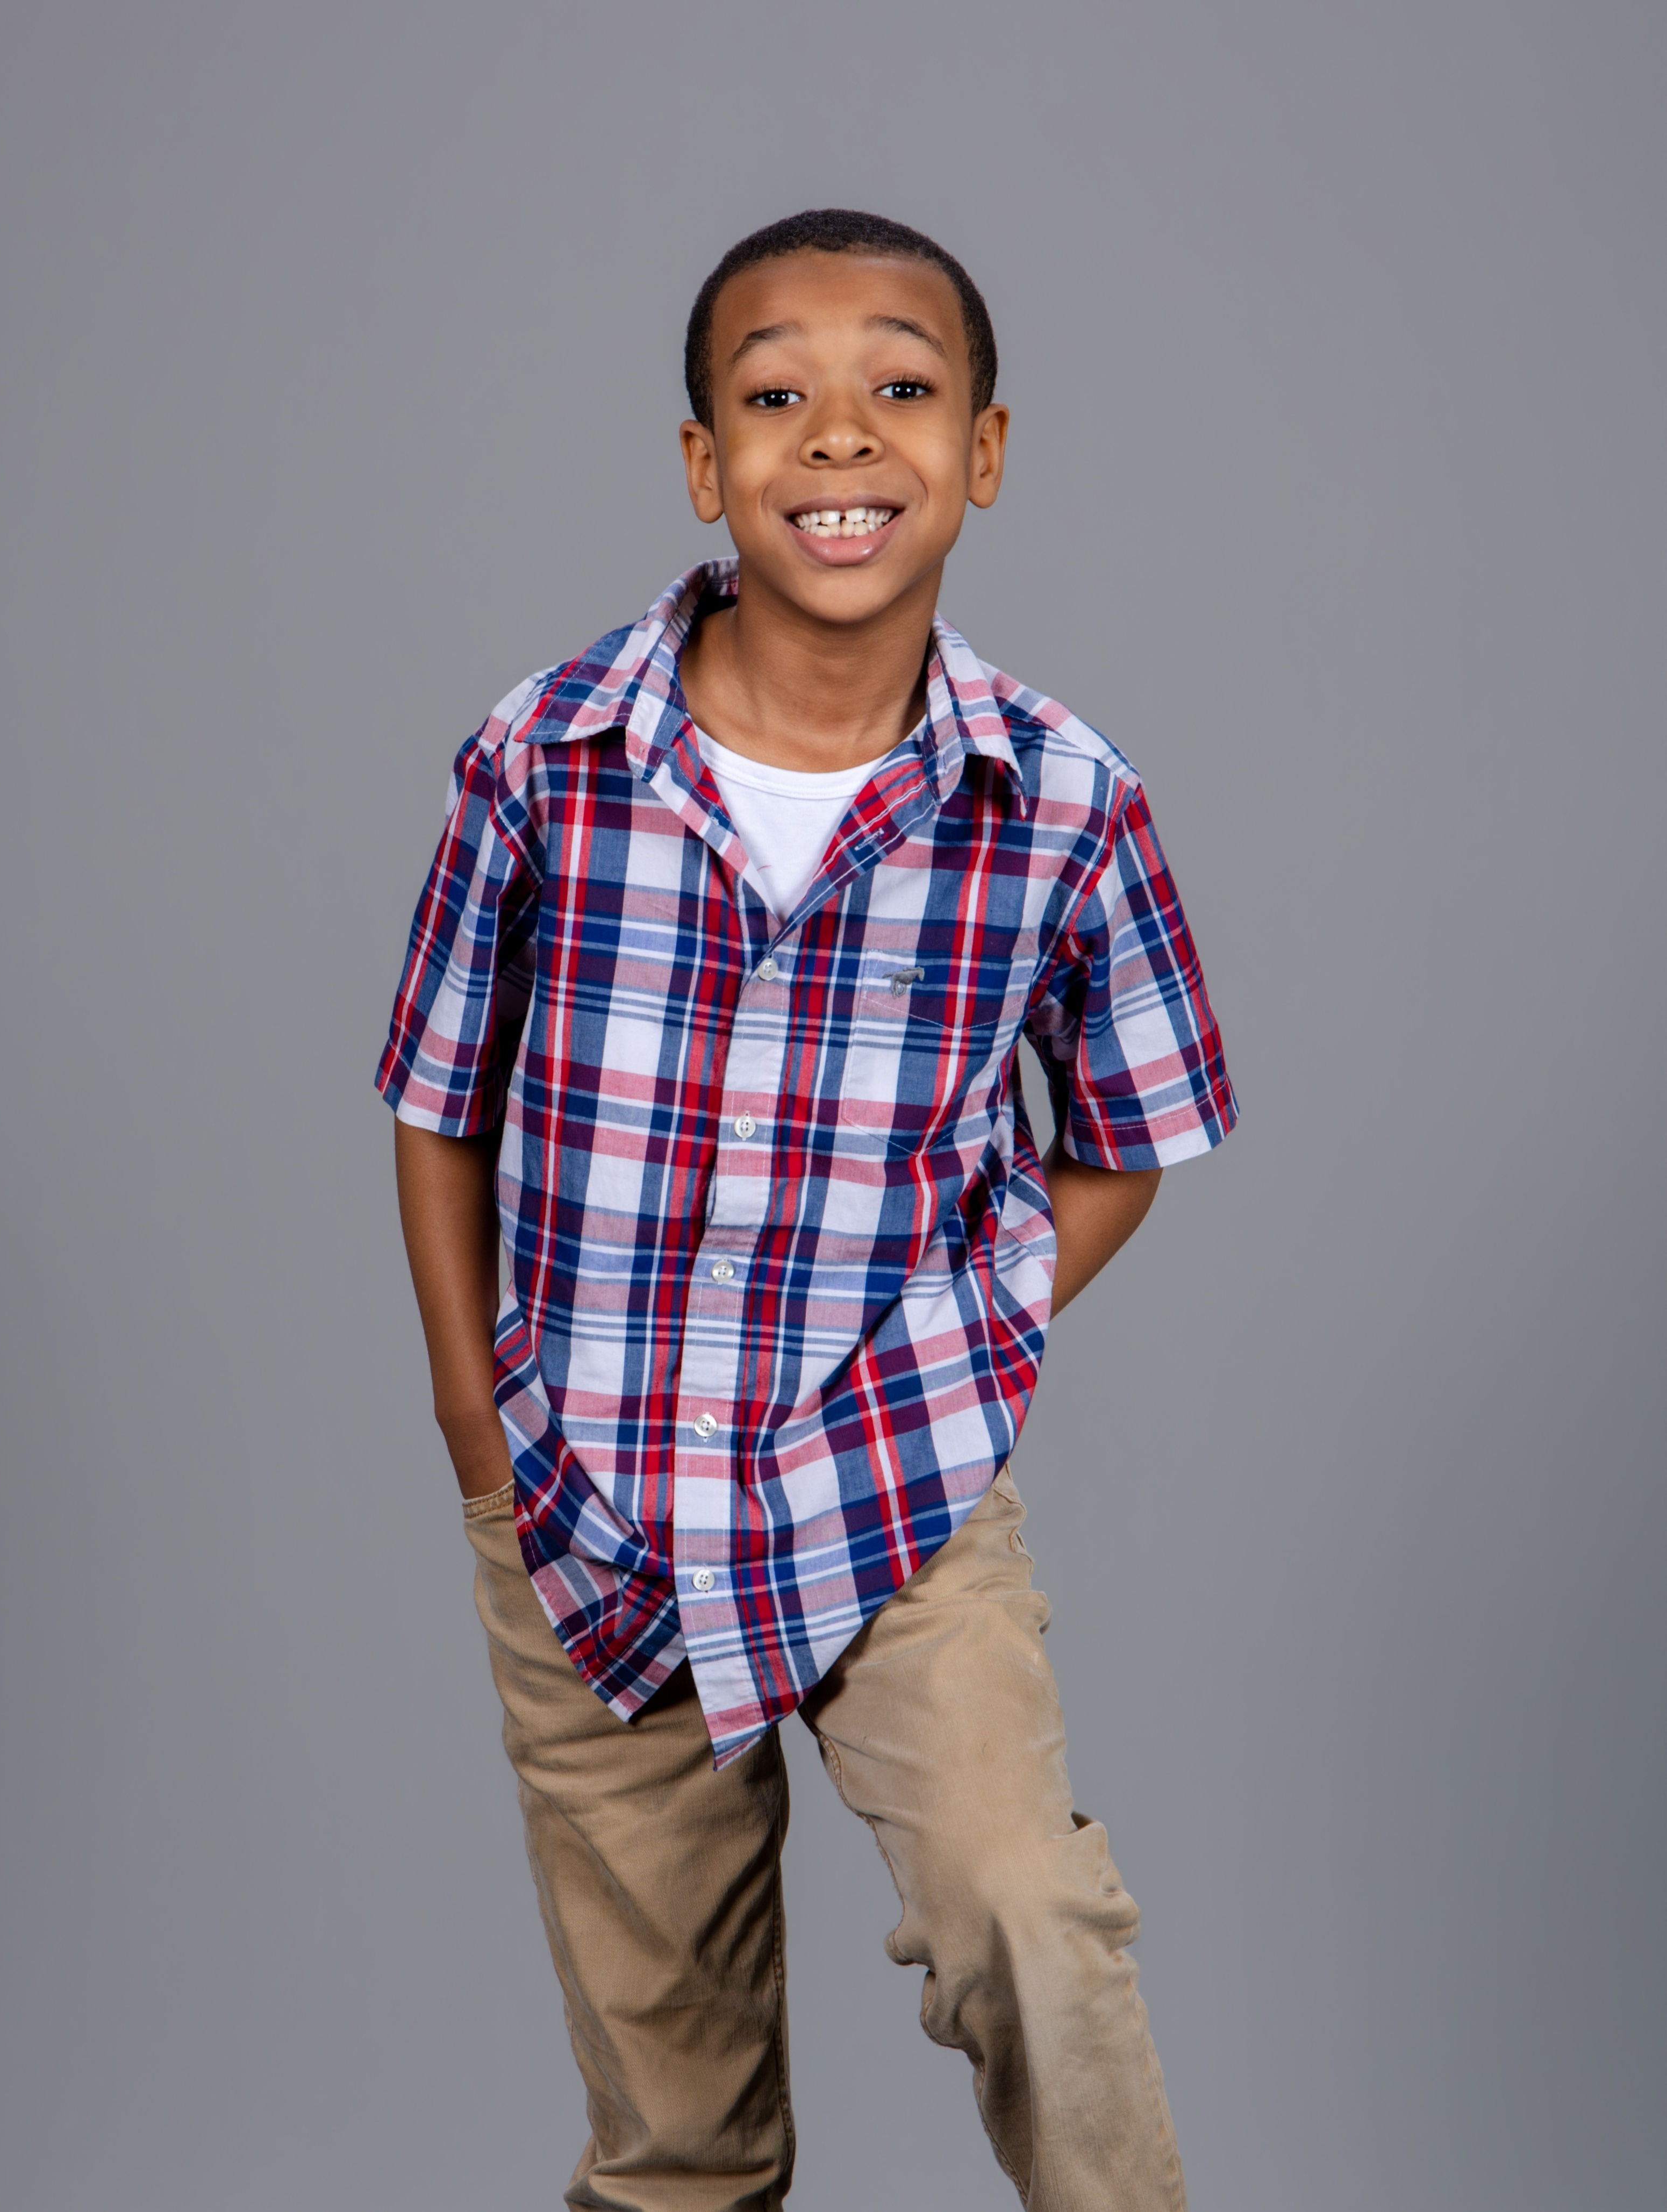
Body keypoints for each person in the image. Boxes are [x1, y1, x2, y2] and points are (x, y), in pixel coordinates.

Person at [378, 207, 1236, 2212]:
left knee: (1028, 1916)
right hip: (589, 1493)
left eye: (900, 390)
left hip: (889, 1477)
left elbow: (1133, 1125)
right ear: (705, 463)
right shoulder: (543, 757)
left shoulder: (1062, 798)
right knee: (674, 2106)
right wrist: (476, 1425)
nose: (839, 435)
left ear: (983, 450)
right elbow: (436, 1101)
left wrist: (970, 1320)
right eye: (776, 397)